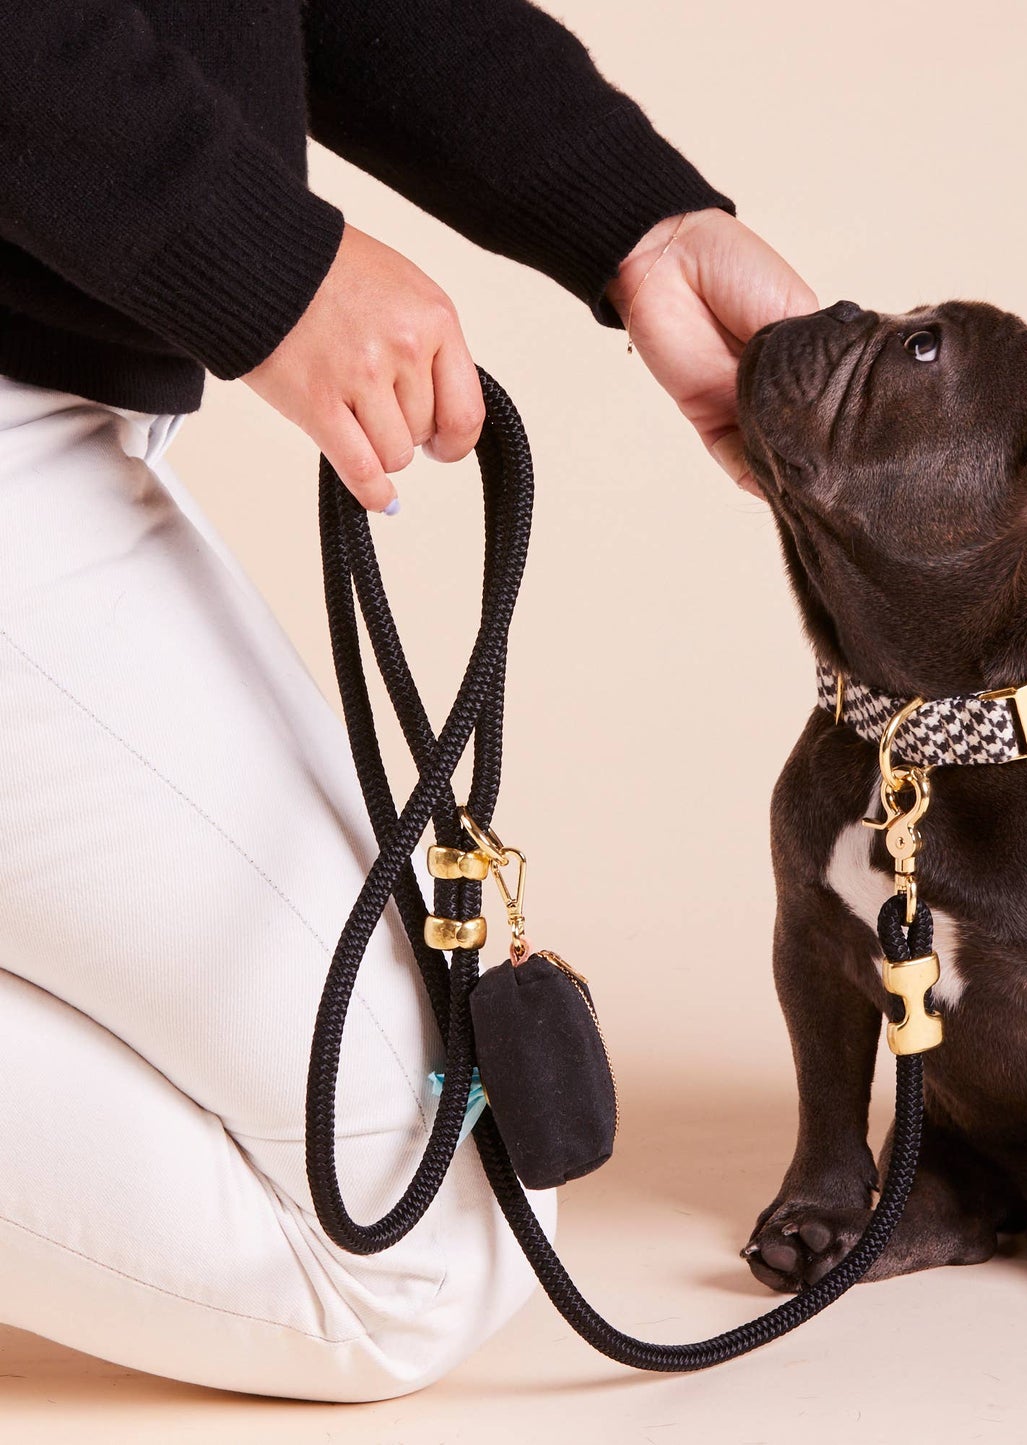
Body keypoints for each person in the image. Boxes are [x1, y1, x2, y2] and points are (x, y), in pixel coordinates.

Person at [0, 1, 816, 1403]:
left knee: (451, 1195)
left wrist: (638, 218)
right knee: (406, 1257)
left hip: (60, 408)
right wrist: (273, 270)